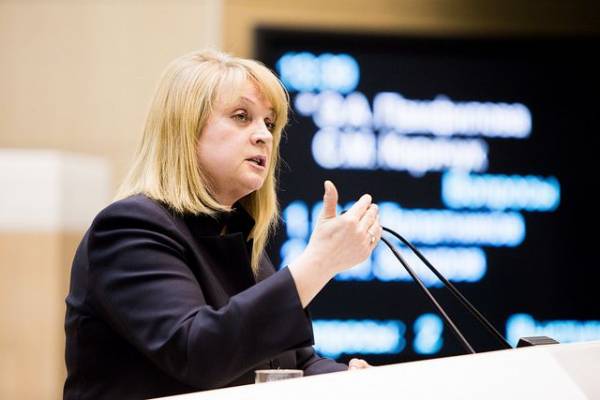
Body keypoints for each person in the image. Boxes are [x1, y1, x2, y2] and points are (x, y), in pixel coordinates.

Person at [63, 49, 382, 400]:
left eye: (269, 123)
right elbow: (198, 353)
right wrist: (319, 263)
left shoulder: (235, 235)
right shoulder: (129, 229)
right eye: (242, 116)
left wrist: (351, 380)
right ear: (185, 130)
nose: (264, 136)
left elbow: (292, 364)